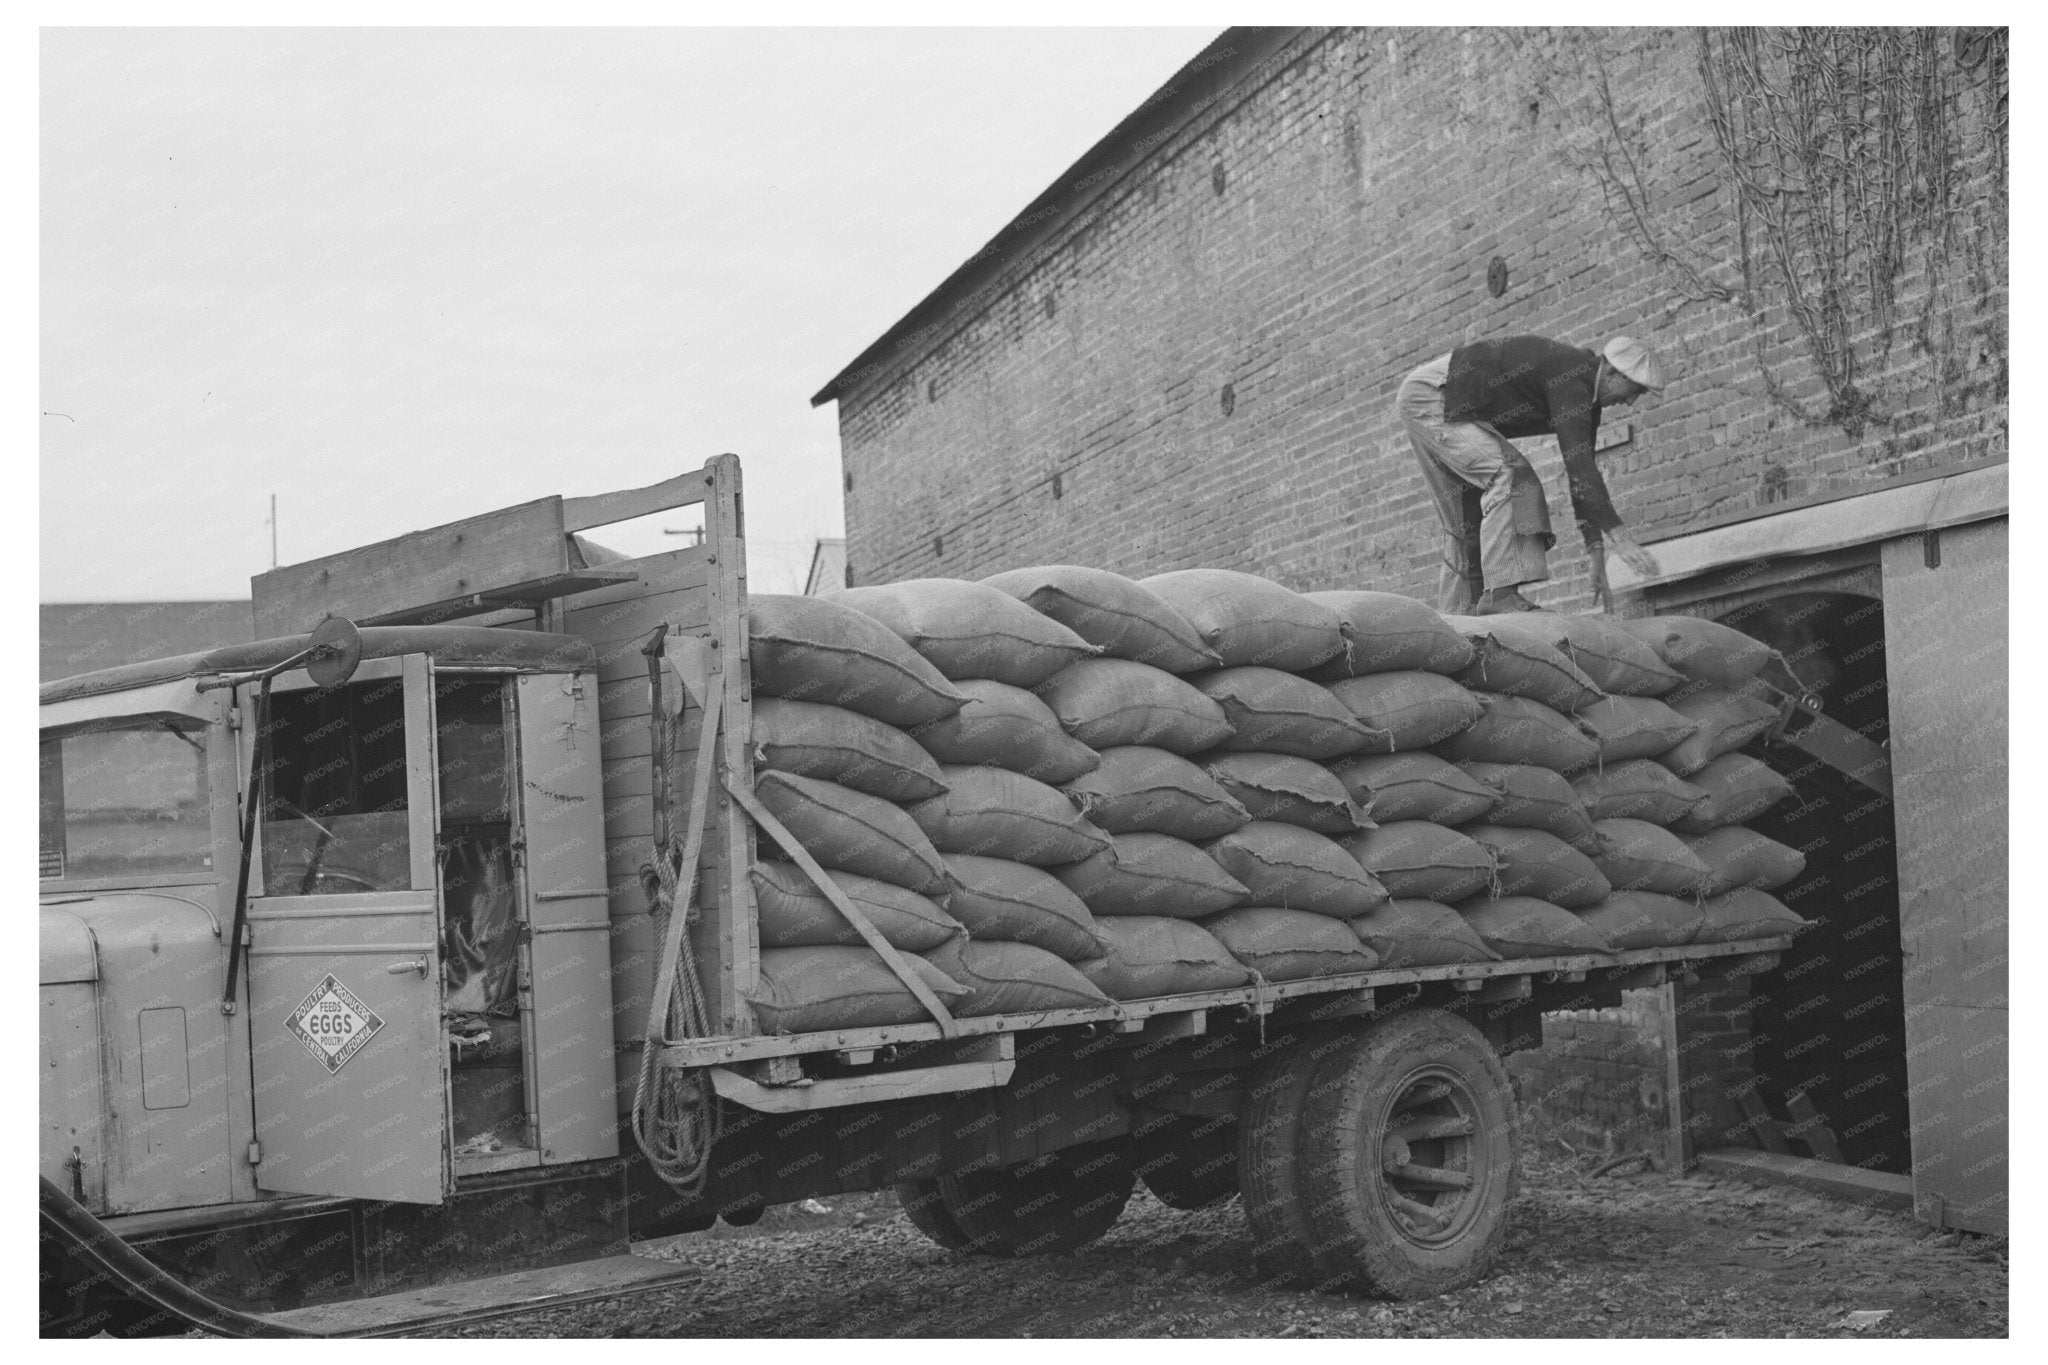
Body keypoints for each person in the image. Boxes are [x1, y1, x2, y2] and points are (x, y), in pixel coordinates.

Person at [1396, 334, 1665, 614]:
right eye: (1634, 390)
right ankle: (1499, 595)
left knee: (1465, 520)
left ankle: (1458, 622)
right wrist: (1620, 537)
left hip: (1438, 400)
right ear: (1611, 372)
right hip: (1432, 395)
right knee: (1511, 476)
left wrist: (1596, 549)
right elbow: (1581, 475)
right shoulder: (1573, 376)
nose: (1631, 401)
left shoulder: (1586, 395)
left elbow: (1581, 474)